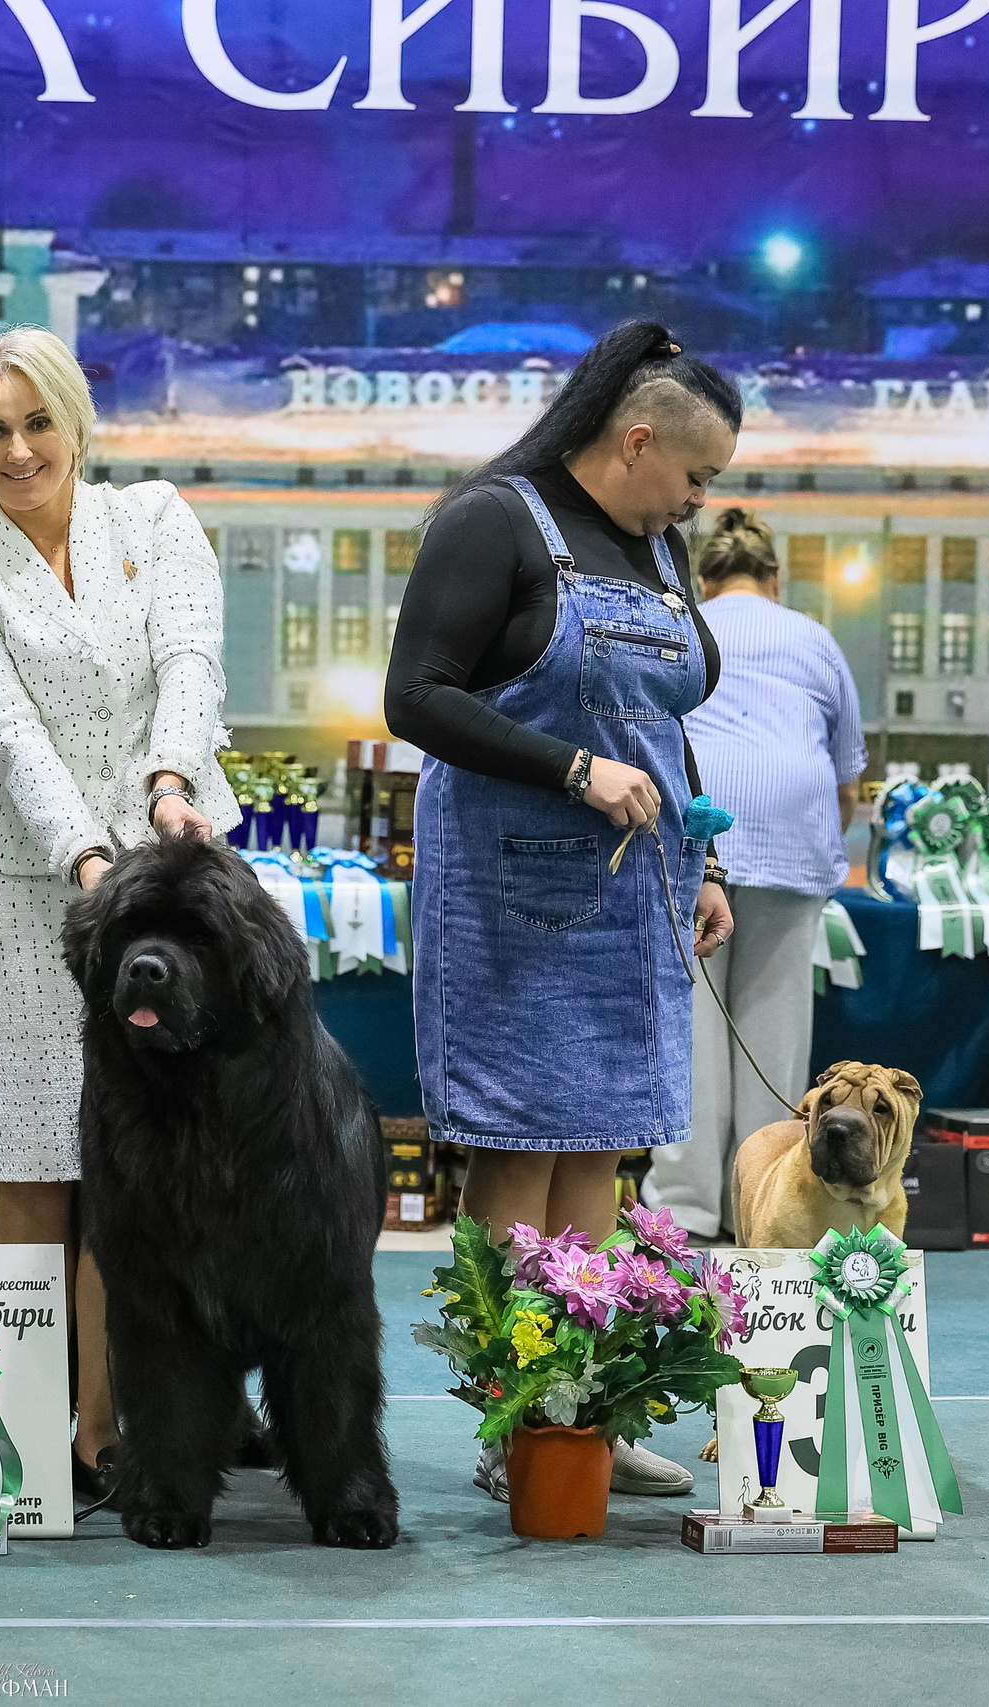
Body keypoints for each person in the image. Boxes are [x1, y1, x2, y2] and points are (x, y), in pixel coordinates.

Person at [384, 319, 741, 1503]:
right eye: (696, 476)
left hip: (632, 895)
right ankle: (510, 1416)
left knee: (599, 1142)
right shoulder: (494, 522)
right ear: (637, 440)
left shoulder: (659, 553)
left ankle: (575, 1404)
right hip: (511, 898)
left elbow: (662, 725)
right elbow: (416, 697)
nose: (699, 502)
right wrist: (572, 771)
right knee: (518, 1147)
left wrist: (706, 861)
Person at [0, 326, 239, 1501]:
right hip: (23, 901)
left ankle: (115, 1425)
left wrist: (167, 788)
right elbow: (4, 733)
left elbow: (192, 662)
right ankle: (28, 1425)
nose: (18, 449)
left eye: (35, 422)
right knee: (37, 1167)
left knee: (142, 1176)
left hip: (172, 885)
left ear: (74, 420)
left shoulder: (154, 518)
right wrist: (88, 857)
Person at [644, 509, 866, 1240]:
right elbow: (848, 778)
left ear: (702, 579)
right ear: (775, 578)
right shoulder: (815, 637)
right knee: (770, 1032)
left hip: (693, 826)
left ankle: (682, 1211)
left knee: (693, 1028)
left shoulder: (685, 622)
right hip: (791, 829)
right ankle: (763, 1207)